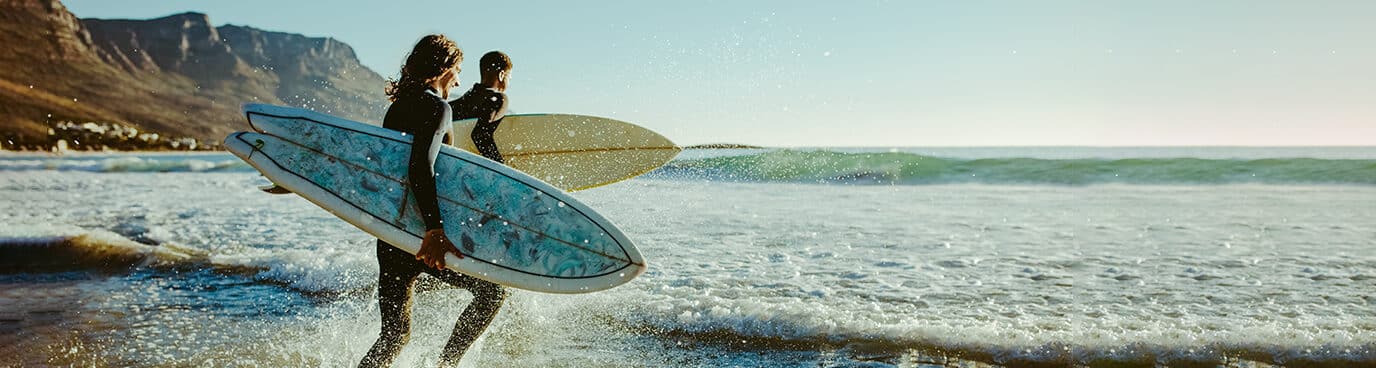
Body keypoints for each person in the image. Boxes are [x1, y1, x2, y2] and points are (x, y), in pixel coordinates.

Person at [358, 35, 509, 368]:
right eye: (457, 71)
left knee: (394, 336)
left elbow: (388, 169)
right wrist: (434, 231)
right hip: (423, 235)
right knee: (493, 293)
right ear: (445, 68)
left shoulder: (398, 107)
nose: (457, 80)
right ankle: (447, 364)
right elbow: (420, 168)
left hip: (393, 234)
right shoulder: (437, 108)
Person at [449, 51, 513, 163]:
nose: (509, 82)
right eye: (509, 77)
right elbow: (480, 135)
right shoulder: (498, 99)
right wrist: (500, 166)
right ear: (502, 75)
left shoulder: (460, 103)